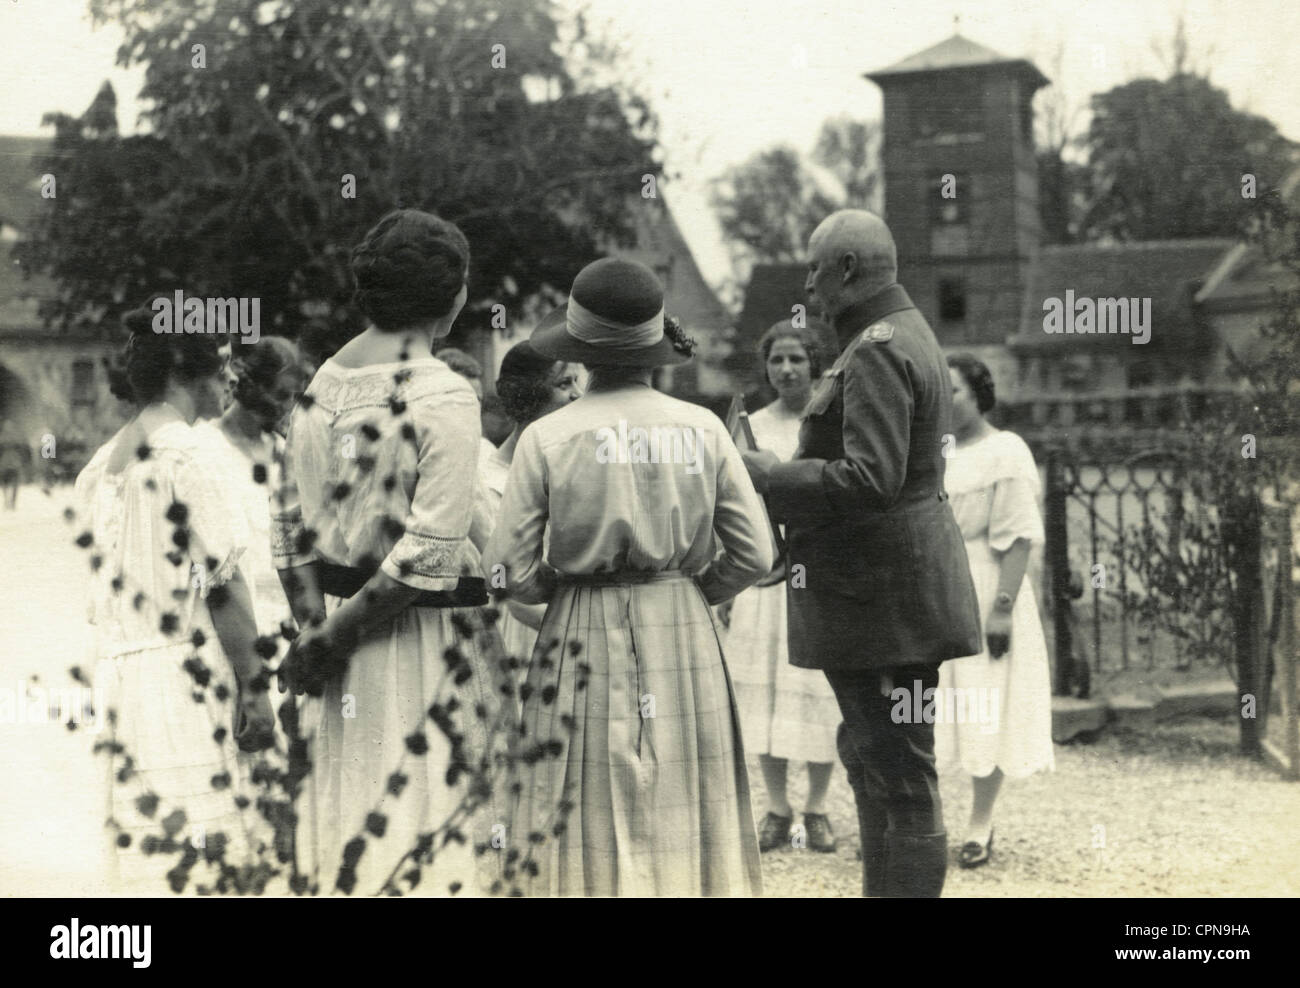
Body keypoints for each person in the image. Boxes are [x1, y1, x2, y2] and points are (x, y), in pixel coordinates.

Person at [484, 258, 772, 896]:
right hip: (683, 624)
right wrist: (694, 591)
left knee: (585, 793)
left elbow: (506, 569)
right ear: (655, 347)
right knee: (684, 786)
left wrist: (563, 595)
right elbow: (755, 554)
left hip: (582, 622)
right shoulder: (702, 430)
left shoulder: (549, 436)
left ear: (581, 352)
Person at [740, 210, 982, 898]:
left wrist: (764, 474)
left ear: (846, 269)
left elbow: (870, 478)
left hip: (883, 606)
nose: (810, 288)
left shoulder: (875, 347)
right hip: (888, 598)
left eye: (815, 270)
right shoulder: (896, 334)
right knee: (875, 759)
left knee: (901, 775)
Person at [273, 210, 506, 895]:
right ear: (454, 295)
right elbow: (429, 549)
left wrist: (316, 629)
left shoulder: (319, 385)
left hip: (338, 623)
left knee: (352, 813)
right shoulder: (443, 391)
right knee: (420, 818)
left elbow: (288, 527)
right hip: (414, 637)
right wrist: (333, 639)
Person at [75, 301, 273, 890]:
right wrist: (256, 691)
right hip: (184, 676)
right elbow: (224, 585)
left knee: (151, 859)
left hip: (120, 678)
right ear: (189, 371)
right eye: (223, 365)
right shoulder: (193, 453)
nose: (232, 379)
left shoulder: (102, 464)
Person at [721, 320, 841, 853]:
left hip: (818, 577)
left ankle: (816, 808)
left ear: (816, 364)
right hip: (761, 580)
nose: (787, 369)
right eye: (777, 361)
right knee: (762, 692)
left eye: (797, 359)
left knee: (817, 693)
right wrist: (726, 585)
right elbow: (723, 507)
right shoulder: (747, 429)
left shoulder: (830, 423)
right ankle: (776, 806)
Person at [937, 355, 1055, 868]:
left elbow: (1020, 539)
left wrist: (1002, 609)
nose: (946, 400)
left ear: (980, 394)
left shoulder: (1005, 451)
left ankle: (980, 824)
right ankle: (925, 824)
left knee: (985, 702)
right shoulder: (930, 452)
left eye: (956, 390)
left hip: (987, 588)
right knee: (932, 707)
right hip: (935, 592)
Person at [194, 336, 305, 705]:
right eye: (283, 393)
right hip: (231, 628)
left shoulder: (286, 454)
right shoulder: (203, 449)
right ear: (251, 384)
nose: (289, 406)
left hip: (286, 629)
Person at [471, 340, 581, 674]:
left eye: (578, 381)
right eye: (565, 383)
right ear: (528, 396)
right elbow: (508, 589)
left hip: (566, 631)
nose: (578, 394)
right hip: (518, 642)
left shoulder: (574, 470)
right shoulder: (486, 481)